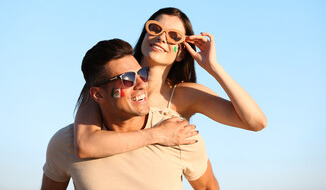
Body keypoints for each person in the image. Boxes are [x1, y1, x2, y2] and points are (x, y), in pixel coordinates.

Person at [41, 39, 219, 190]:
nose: (141, 84)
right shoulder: (65, 144)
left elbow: (208, 187)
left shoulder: (179, 134)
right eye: (127, 79)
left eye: (142, 73)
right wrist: (156, 135)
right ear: (98, 94)